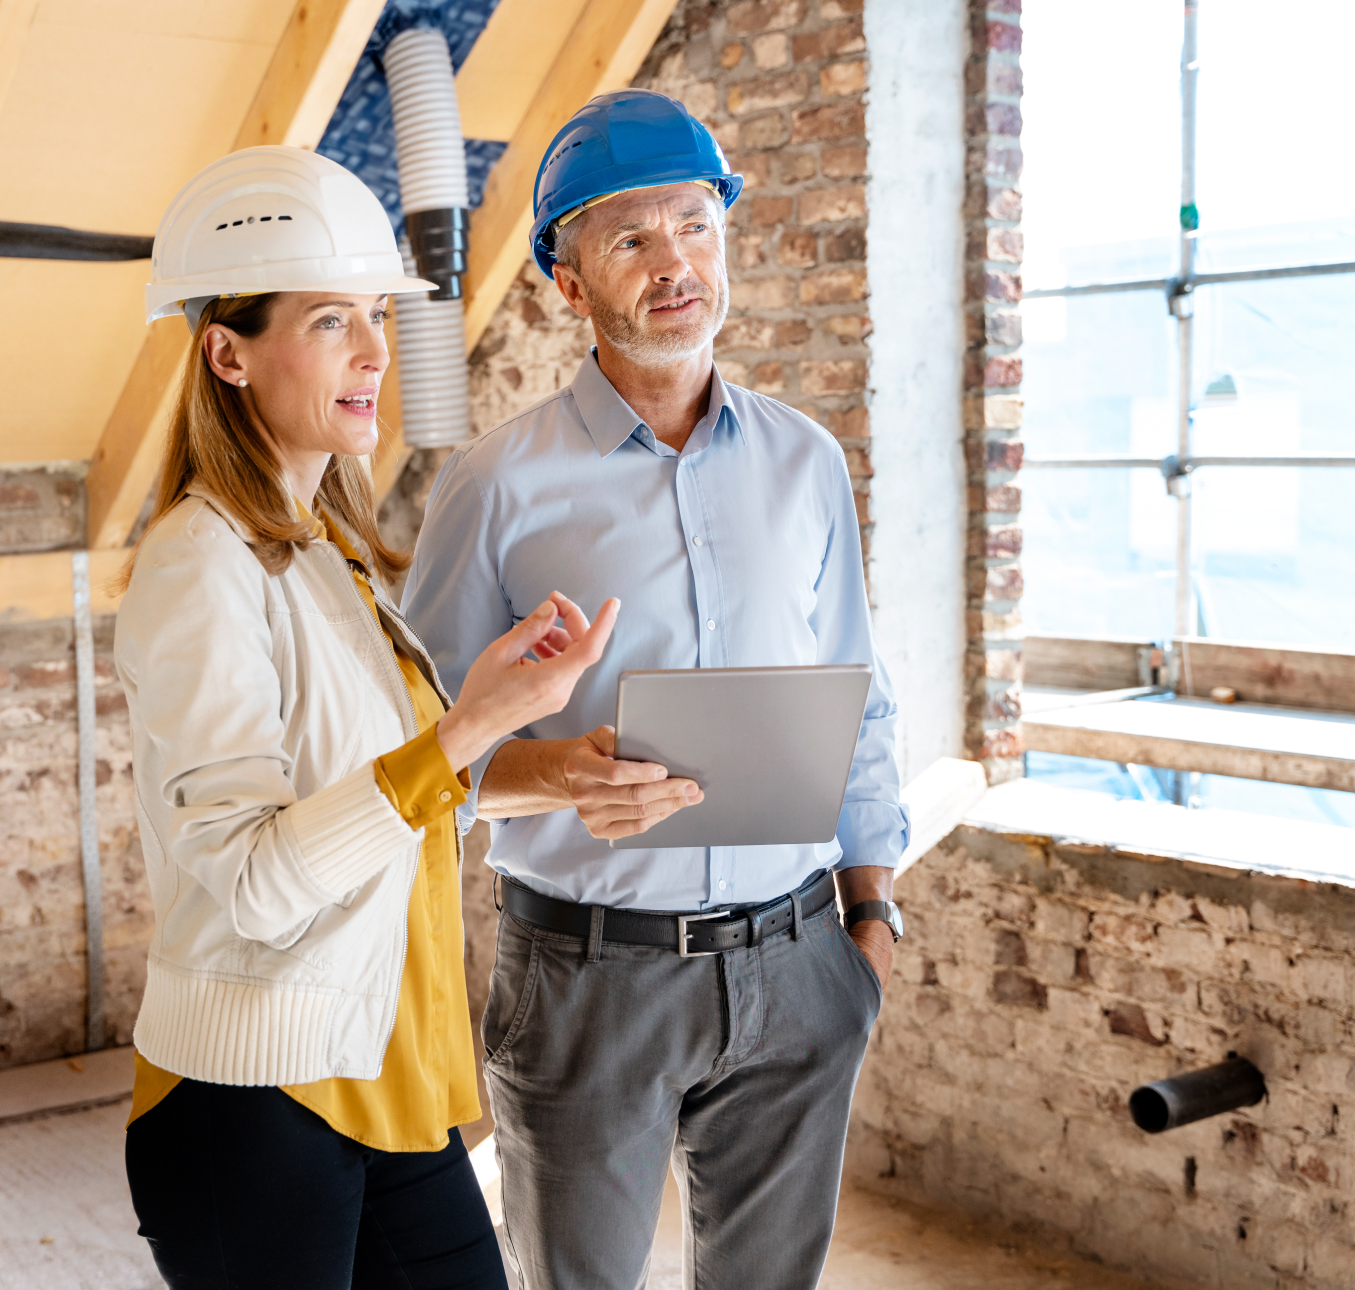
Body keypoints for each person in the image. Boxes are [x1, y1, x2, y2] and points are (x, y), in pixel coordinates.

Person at [402, 91, 912, 1290]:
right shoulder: (496, 487)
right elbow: (416, 759)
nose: (675, 262)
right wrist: (560, 779)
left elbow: (863, 694)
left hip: (798, 962)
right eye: (630, 238)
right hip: (588, 978)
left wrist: (872, 920)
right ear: (567, 285)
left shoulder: (804, 461)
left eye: (695, 224)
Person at [115, 145, 617, 1290]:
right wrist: (465, 727)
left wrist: (548, 764)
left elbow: (390, 802)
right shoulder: (201, 566)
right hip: (257, 1105)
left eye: (376, 317)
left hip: (385, 1070)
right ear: (226, 352)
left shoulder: (330, 551)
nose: (375, 353)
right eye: (332, 319)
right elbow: (254, 875)